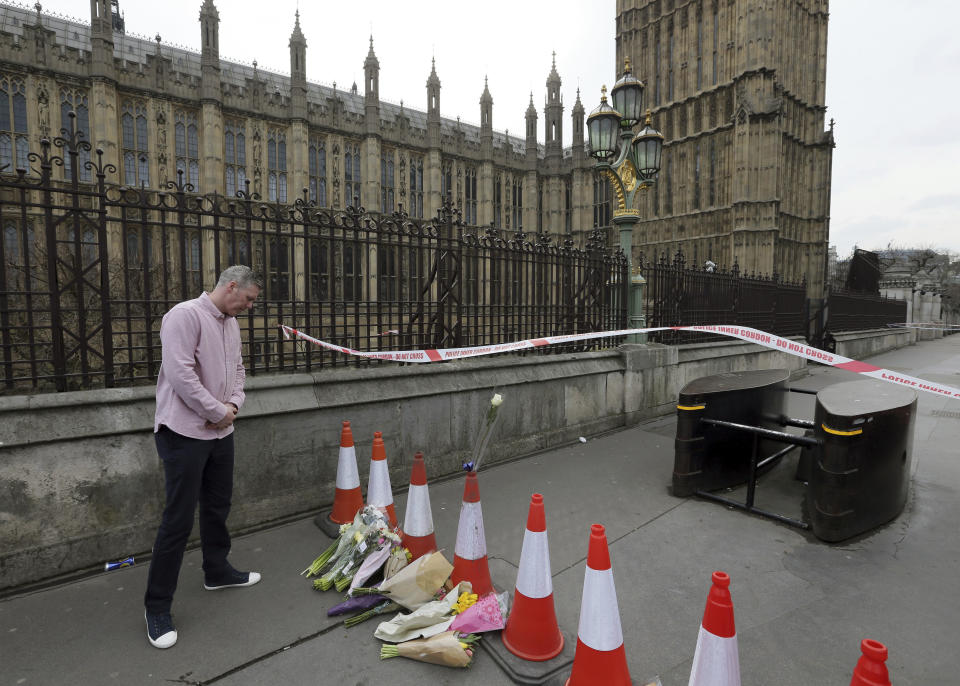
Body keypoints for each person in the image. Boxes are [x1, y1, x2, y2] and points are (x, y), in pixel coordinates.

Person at [144, 265, 263, 649]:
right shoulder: (184, 316)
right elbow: (179, 374)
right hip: (184, 433)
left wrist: (232, 405)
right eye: (248, 298)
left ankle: (217, 570)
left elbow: (240, 372)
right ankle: (157, 606)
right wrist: (217, 411)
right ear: (231, 286)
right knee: (177, 520)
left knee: (217, 506)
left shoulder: (230, 323)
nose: (250, 306)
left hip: (221, 431)